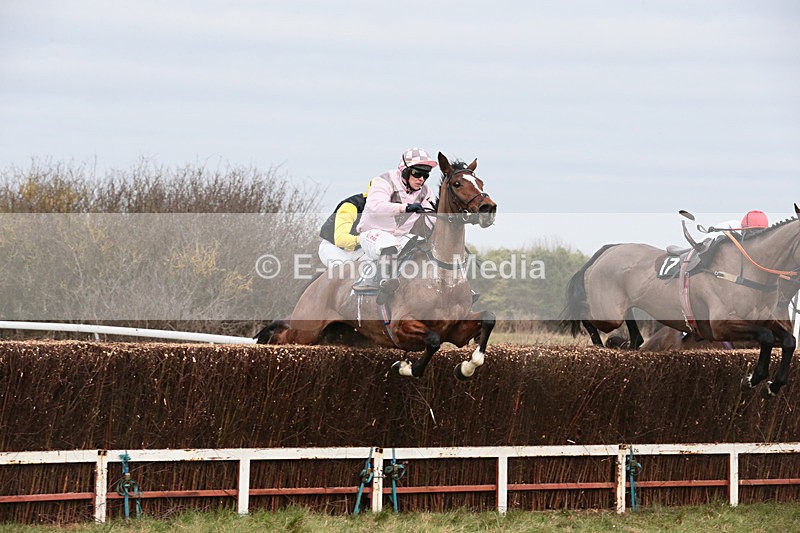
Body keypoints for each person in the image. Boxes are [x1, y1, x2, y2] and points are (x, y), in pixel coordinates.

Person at [353, 147, 438, 301]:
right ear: (405, 171)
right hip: (372, 235)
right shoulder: (384, 181)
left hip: (401, 237)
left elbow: (432, 217)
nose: (421, 179)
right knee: (389, 245)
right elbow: (375, 206)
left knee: (425, 248)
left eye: (425, 175)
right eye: (417, 173)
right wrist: (404, 208)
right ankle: (382, 282)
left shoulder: (426, 192)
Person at [317, 181, 371, 266]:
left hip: (359, 251)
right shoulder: (351, 206)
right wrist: (367, 239)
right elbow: (341, 239)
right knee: (348, 269)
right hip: (334, 248)